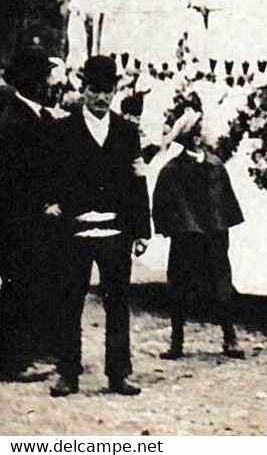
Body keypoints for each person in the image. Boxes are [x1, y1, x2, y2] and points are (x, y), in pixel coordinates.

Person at [44, 56, 151, 397]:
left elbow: (137, 182)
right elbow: (45, 173)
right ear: (83, 90)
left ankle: (119, 373)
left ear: (115, 90)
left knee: (117, 302)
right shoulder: (63, 129)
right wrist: (50, 203)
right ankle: (67, 373)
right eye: (94, 91)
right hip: (74, 229)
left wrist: (141, 230)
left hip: (115, 231)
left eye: (107, 91)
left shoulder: (126, 130)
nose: (101, 98)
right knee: (69, 301)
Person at [151, 112, 245, 361]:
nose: (206, 133)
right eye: (201, 129)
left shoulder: (215, 165)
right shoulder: (171, 171)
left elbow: (225, 201)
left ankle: (229, 337)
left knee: (221, 285)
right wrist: (180, 228)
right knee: (178, 288)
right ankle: (177, 341)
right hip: (186, 238)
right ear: (193, 138)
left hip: (214, 236)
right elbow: (162, 205)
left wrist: (221, 227)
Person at [0, 45, 57, 382]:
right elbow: (16, 180)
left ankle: (27, 352)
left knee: (30, 286)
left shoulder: (34, 115)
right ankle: (14, 361)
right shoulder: (14, 122)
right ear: (32, 81)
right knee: (19, 288)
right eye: (44, 76)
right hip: (20, 221)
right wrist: (41, 206)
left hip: (31, 219)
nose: (49, 83)